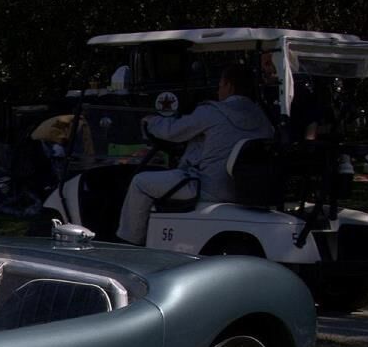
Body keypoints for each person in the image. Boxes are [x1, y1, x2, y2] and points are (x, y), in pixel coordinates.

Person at [116, 64, 274, 245]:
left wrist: (150, 122)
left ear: (229, 86)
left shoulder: (213, 112)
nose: (218, 90)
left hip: (209, 187)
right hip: (244, 190)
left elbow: (172, 132)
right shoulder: (262, 118)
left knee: (140, 182)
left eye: (220, 85)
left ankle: (129, 244)